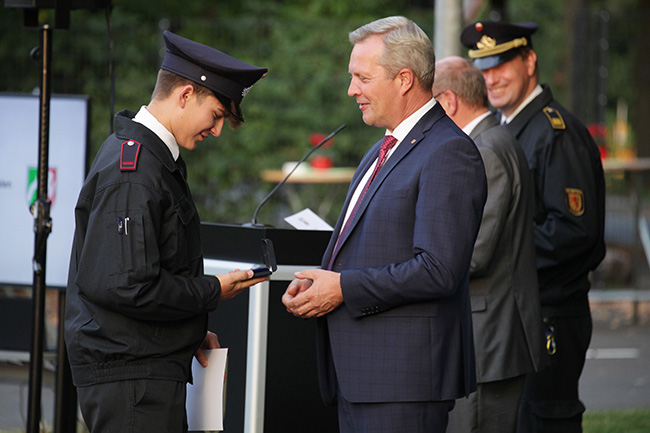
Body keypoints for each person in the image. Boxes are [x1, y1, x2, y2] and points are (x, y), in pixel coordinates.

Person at [282, 16, 487, 433]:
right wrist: (322, 281)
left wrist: (341, 289)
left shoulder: (449, 152)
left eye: (361, 77)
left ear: (404, 79)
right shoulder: (383, 147)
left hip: (402, 385)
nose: (351, 90)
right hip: (363, 379)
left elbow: (438, 269)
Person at [65, 30, 269, 433]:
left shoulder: (150, 161)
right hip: (132, 380)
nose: (217, 131)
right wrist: (214, 290)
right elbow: (129, 287)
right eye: (216, 116)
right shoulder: (136, 170)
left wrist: (185, 331)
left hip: (140, 371)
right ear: (186, 94)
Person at [461, 21, 606, 433]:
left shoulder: (555, 132)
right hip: (526, 312)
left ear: (530, 61)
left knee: (544, 422)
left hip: (550, 313)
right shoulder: (512, 129)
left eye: (502, 65)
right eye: (484, 70)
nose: (492, 79)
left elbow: (574, 230)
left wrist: (500, 258)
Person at [432, 56, 548, 433]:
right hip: (491, 332)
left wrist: (413, 265)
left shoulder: (482, 150)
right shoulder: (491, 141)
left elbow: (473, 252)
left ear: (448, 102)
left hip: (488, 337)